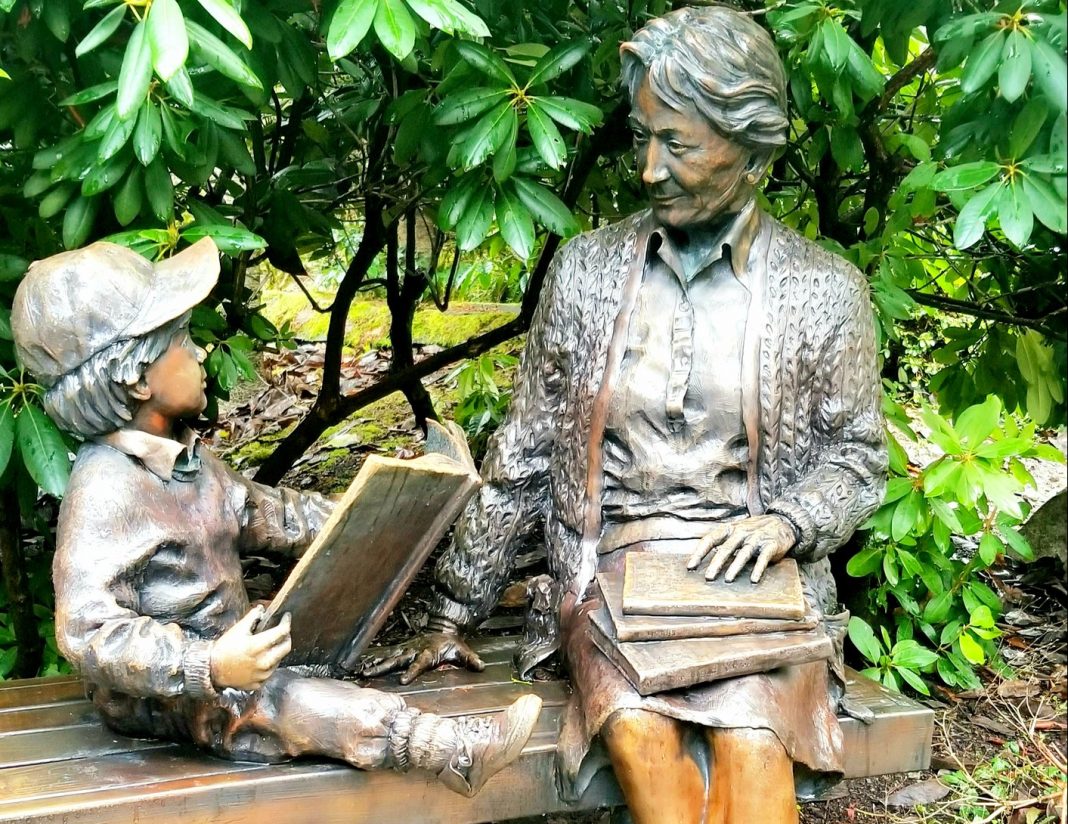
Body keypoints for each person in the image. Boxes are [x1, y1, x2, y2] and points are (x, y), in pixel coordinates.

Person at [362, 7, 887, 823]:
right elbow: (527, 453)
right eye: (644, 137)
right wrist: (456, 610)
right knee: (640, 734)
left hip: (756, 588)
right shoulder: (588, 271)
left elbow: (856, 459)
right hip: (611, 576)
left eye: (676, 144)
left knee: (752, 743)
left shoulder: (825, 292)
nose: (649, 169)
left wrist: (787, 521)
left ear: (749, 152)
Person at [10, 237, 541, 797]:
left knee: (309, 666)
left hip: (233, 654)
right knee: (281, 702)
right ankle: (443, 748)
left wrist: (390, 504)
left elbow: (275, 514)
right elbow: (88, 631)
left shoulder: (191, 463)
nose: (202, 354)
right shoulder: (106, 488)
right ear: (137, 378)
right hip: (166, 694)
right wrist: (208, 664)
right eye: (183, 342)